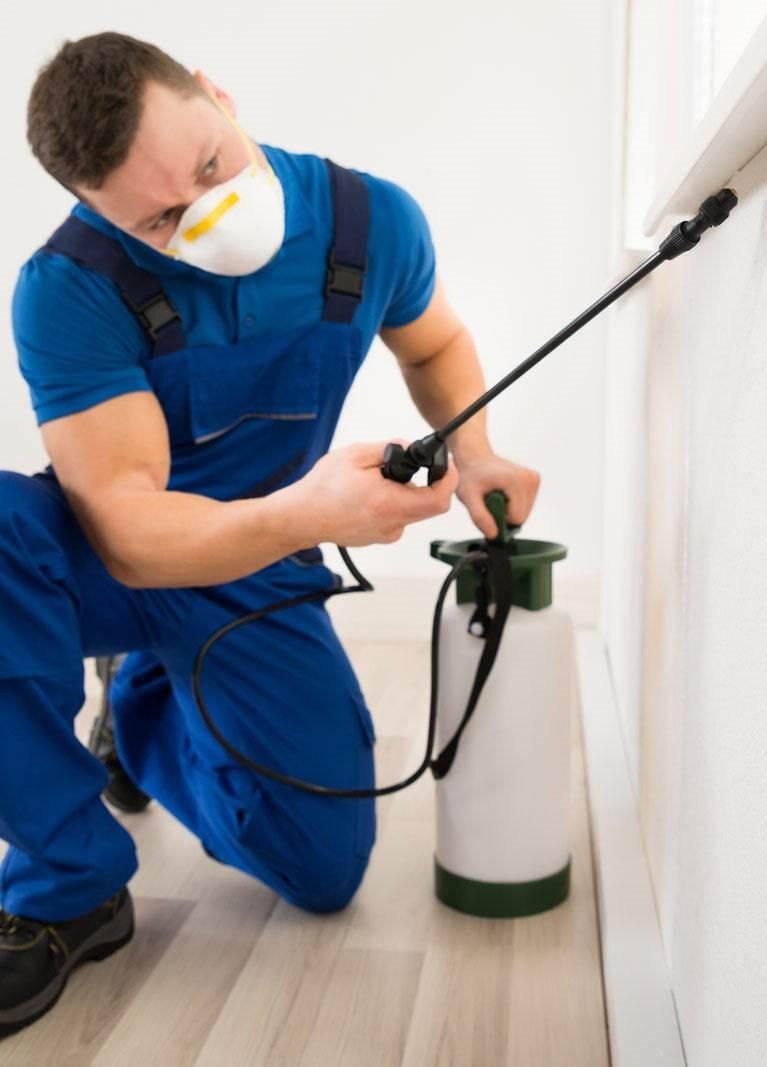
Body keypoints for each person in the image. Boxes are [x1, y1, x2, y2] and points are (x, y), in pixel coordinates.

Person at [0, 32, 540, 1039]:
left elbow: (435, 340)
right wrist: (312, 511)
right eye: (158, 217)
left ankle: (143, 716)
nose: (202, 211)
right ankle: (67, 883)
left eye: (209, 166)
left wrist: (476, 451)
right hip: (112, 565)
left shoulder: (367, 223)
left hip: (253, 565)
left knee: (322, 868)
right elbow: (124, 527)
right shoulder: (66, 286)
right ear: (98, 212)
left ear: (217, 92)